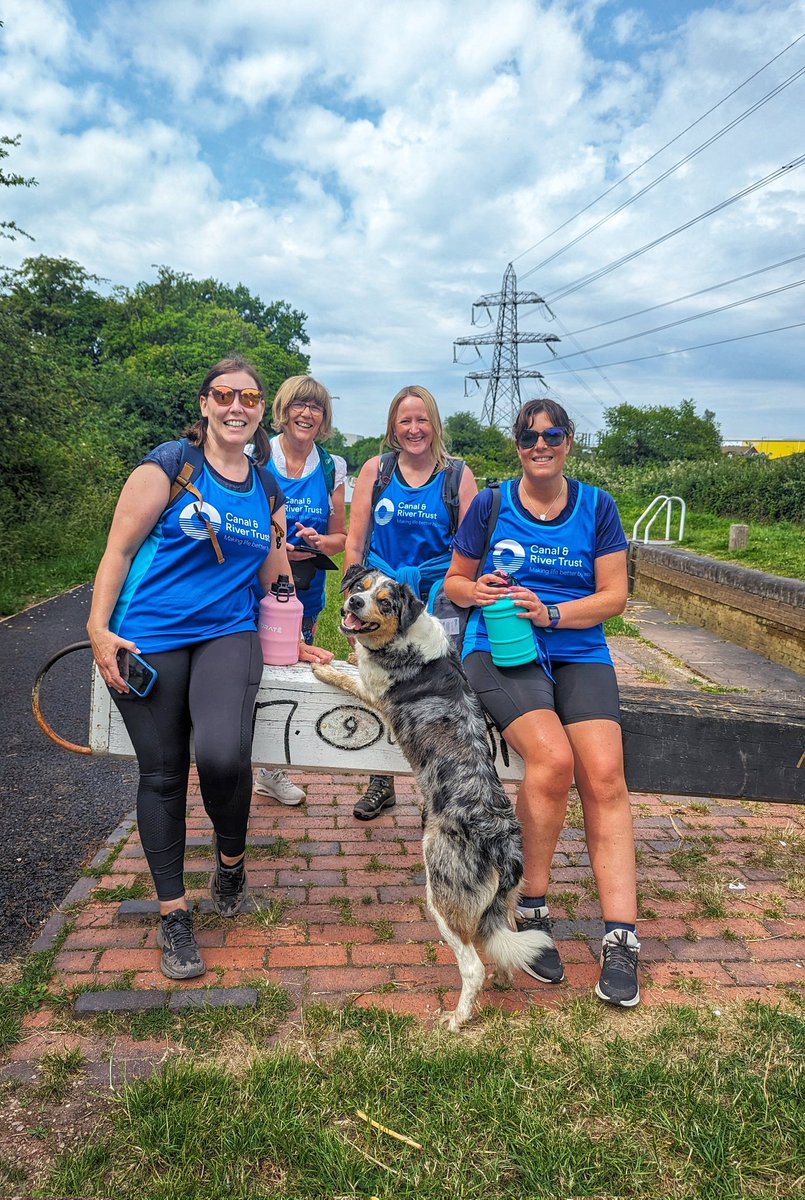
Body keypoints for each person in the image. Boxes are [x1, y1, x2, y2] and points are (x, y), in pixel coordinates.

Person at [87, 356, 332, 982]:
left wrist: (297, 633)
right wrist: (97, 627)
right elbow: (117, 549)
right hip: (150, 633)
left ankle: (230, 866)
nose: (237, 407)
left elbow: (274, 570)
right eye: (224, 395)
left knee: (225, 755)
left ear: (259, 411)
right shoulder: (168, 466)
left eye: (249, 398)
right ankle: (174, 916)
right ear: (204, 404)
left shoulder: (266, 486)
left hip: (228, 631)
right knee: (164, 773)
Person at [443, 398, 641, 1007]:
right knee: (553, 761)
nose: (540, 445)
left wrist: (552, 612)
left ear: (568, 442)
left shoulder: (597, 505)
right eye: (529, 437)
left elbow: (614, 597)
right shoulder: (491, 503)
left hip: (579, 647)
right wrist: (474, 590)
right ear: (518, 446)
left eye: (551, 435)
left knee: (605, 775)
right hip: (502, 649)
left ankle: (622, 937)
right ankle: (530, 907)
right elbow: (452, 583)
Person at [344, 384, 478, 819]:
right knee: (379, 684)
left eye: (422, 420)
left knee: (435, 692)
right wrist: (353, 601)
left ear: (435, 424)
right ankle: (380, 781)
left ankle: (431, 791)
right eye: (405, 421)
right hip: (380, 599)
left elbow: (474, 545)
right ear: (393, 428)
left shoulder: (458, 475)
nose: (414, 428)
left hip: (435, 600)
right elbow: (356, 542)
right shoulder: (377, 471)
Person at [254, 375, 347, 806]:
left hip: (303, 594)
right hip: (249, 586)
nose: (307, 414)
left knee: (287, 671)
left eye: (316, 408)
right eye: (299, 405)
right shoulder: (258, 455)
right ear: (284, 409)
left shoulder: (333, 467)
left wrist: (315, 544)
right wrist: (274, 546)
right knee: (245, 670)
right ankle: (239, 756)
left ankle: (272, 769)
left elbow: (339, 539)